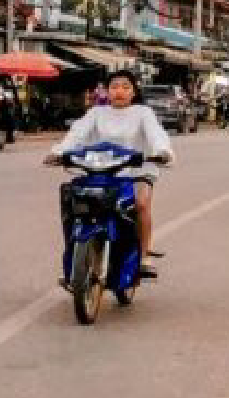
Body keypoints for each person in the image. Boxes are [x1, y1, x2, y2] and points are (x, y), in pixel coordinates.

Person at [46, 71, 175, 276]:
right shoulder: (96, 113)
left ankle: (143, 255)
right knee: (77, 204)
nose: (119, 91)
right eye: (114, 87)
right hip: (102, 171)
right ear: (107, 91)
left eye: (125, 87)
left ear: (133, 92)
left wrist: (162, 152)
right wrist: (59, 152)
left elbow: (156, 135)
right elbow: (76, 134)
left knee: (141, 203)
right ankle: (75, 257)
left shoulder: (143, 113)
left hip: (137, 170)